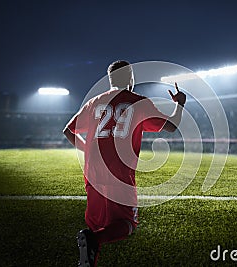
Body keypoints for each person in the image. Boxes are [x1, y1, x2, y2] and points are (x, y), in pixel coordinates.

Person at [63, 60, 186, 267]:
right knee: (127, 223)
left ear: (109, 79)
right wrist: (180, 103)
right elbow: (171, 126)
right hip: (119, 171)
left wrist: (89, 150)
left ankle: (89, 257)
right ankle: (94, 241)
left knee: (97, 223)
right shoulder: (138, 101)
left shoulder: (94, 101)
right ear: (131, 78)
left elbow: (68, 130)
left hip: (92, 169)